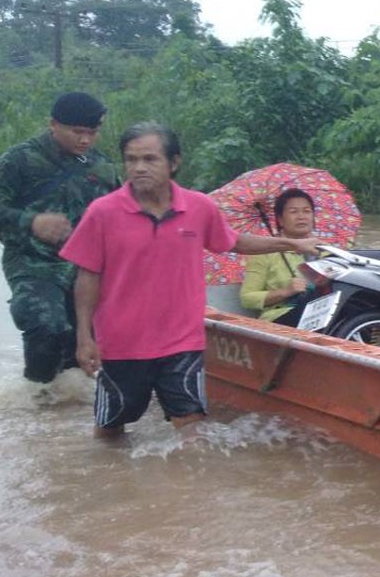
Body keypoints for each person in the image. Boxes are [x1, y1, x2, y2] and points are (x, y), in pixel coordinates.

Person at [60, 124, 322, 437]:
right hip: (121, 343)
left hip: (182, 341)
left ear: (174, 163)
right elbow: (87, 275)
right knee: (111, 430)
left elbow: (234, 242)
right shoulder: (103, 212)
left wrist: (292, 243)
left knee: (192, 429)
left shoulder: (199, 207)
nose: (139, 168)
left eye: (149, 159)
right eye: (131, 160)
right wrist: (84, 336)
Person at [0, 92, 119, 404]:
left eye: (92, 133)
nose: (85, 140)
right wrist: (30, 221)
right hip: (32, 262)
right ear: (53, 124)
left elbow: (122, 214)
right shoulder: (19, 160)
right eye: (77, 132)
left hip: (85, 270)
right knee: (47, 326)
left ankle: (66, 420)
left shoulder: (102, 166)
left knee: (79, 348)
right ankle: (33, 402)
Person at [239, 188, 317, 326]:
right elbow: (247, 298)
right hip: (280, 318)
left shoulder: (326, 251)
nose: (301, 217)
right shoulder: (264, 253)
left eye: (307, 211)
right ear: (280, 219)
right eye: (293, 212)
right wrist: (287, 291)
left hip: (320, 312)